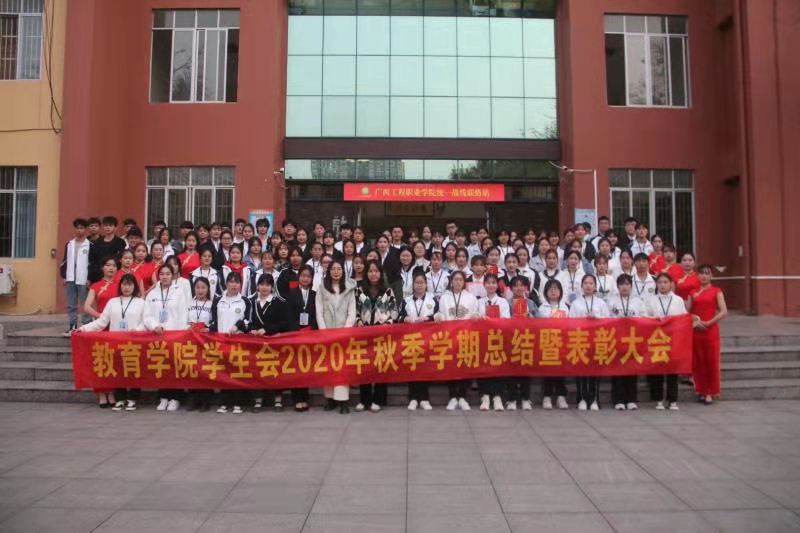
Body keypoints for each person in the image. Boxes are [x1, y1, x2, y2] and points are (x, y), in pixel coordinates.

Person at [80, 274, 145, 411]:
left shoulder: (141, 302)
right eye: (124, 284)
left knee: (133, 371)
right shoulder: (113, 302)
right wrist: (83, 329)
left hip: (134, 342)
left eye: (130, 284)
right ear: (120, 286)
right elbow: (102, 322)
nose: (126, 288)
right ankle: (120, 398)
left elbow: (145, 322)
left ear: (134, 287)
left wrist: (137, 330)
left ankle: (133, 399)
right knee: (118, 371)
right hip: (116, 342)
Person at [143, 263, 190, 412]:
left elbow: (183, 314)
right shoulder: (152, 294)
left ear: (173, 275)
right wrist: (154, 325)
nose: (164, 277)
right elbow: (147, 315)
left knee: (175, 367)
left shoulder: (179, 292)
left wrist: (179, 334)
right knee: (162, 367)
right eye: (162, 274)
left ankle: (175, 397)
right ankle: (163, 396)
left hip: (174, 336)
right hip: (158, 335)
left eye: (167, 274)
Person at [354, 261, 399, 412]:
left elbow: (394, 311)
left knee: (381, 366)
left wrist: (388, 323)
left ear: (381, 273)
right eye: (370, 271)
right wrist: (358, 321)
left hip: (382, 334)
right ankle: (364, 400)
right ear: (366, 273)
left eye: (376, 271)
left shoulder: (387, 291)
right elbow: (355, 309)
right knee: (364, 366)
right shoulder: (360, 290)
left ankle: (378, 399)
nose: (373, 274)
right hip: (364, 334)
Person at [316, 259, 358, 414]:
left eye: (339, 269)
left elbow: (352, 312)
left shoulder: (349, 288)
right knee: (328, 367)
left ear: (343, 271)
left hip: (343, 334)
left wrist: (345, 331)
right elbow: (319, 311)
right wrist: (324, 332)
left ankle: (343, 401)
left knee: (342, 368)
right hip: (327, 334)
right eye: (333, 269)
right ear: (329, 271)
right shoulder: (322, 288)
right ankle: (330, 399)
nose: (336, 272)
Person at [435, 270, 479, 411]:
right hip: (450, 337)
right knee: (451, 367)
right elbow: (441, 313)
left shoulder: (471, 297)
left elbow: (475, 313)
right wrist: (438, 316)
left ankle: (463, 397)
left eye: (460, 280)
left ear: (464, 282)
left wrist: (476, 316)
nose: (458, 282)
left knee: (465, 366)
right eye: (455, 279)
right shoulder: (444, 297)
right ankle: (453, 396)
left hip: (466, 337)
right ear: (451, 282)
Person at [247, 273, 291, 412]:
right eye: (262, 284)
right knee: (257, 370)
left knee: (275, 370)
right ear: (257, 286)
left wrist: (267, 329)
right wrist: (252, 329)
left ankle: (278, 399)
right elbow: (248, 321)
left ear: (272, 287)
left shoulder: (279, 302)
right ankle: (258, 400)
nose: (264, 287)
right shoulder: (252, 302)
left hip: (274, 343)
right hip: (257, 344)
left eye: (268, 285)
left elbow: (284, 322)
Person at [645, 272, 688, 411]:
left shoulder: (678, 300)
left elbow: (684, 317)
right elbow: (645, 317)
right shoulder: (651, 300)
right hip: (657, 339)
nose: (662, 285)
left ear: (671, 284)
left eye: (665, 282)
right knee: (657, 370)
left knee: (672, 370)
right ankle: (658, 400)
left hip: (673, 339)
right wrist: (654, 319)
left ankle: (672, 400)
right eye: (660, 282)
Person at [210, 272, 251, 414]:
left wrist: (238, 326)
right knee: (223, 373)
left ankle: (237, 403)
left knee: (236, 373)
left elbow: (248, 320)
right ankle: (224, 403)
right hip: (221, 342)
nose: (234, 285)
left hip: (238, 343)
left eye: (237, 282)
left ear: (240, 285)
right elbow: (214, 321)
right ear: (226, 284)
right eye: (231, 282)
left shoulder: (245, 301)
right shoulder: (218, 300)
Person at [568, 274, 610, 411]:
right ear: (581, 286)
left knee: (595, 371)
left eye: (591, 283)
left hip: (597, 340)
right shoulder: (576, 303)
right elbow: (571, 322)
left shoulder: (601, 303)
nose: (588, 286)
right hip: (580, 340)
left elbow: (607, 320)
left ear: (595, 286)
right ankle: (581, 398)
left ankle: (594, 399)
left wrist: (596, 317)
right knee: (581, 371)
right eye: (585, 283)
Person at [687, 264, 728, 405]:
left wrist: (709, 322)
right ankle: (701, 390)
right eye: (701, 273)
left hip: (711, 331)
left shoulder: (717, 291)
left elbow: (724, 311)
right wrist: (694, 321)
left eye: (707, 273)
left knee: (711, 361)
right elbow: (686, 311)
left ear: (711, 276)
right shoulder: (693, 292)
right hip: (696, 331)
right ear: (697, 275)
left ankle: (710, 392)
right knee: (698, 362)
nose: (704, 276)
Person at [607, 274, 645, 411]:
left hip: (632, 340)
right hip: (616, 339)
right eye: (622, 284)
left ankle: (631, 399)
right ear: (617, 287)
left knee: (631, 370)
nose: (624, 287)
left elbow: (644, 317)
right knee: (617, 370)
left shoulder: (638, 301)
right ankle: (618, 400)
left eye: (627, 284)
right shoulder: (611, 301)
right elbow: (606, 318)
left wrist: (633, 319)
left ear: (631, 286)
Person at [401, 272, 437, 411]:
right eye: (417, 283)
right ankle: (413, 398)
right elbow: (399, 317)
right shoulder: (406, 300)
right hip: (411, 340)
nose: (419, 285)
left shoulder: (433, 300)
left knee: (425, 369)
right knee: (412, 368)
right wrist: (405, 319)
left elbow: (438, 315)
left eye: (422, 283)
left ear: (426, 284)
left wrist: (428, 318)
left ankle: (424, 398)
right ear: (413, 284)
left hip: (427, 339)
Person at [476, 274, 510, 412]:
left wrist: (492, 321)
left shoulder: (502, 302)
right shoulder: (479, 302)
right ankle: (484, 396)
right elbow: (475, 318)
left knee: (498, 367)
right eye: (488, 283)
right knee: (483, 366)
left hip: (498, 339)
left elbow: (506, 320)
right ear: (484, 285)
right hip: (483, 339)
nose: (491, 285)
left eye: (493, 283)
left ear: (497, 285)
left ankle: (497, 396)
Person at [286, 265, 317, 411]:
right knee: (295, 368)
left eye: (308, 276)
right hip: (295, 335)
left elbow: (316, 315)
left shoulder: (315, 295)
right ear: (299, 277)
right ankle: (297, 399)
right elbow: (289, 315)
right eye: (303, 275)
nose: (305, 278)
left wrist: (312, 330)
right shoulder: (291, 293)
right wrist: (296, 331)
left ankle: (304, 398)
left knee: (306, 368)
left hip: (309, 335)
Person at [537, 279, 570, 409]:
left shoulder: (565, 307)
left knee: (561, 371)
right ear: (545, 292)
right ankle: (547, 396)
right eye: (550, 288)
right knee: (548, 371)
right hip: (547, 344)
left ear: (561, 291)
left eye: (556, 288)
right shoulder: (542, 308)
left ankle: (561, 396)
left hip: (562, 343)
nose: (553, 291)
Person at [506, 275, 537, 411]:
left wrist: (530, 317)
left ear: (525, 288)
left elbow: (540, 320)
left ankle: (526, 398)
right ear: (511, 288)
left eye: (521, 285)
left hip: (527, 339)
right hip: (511, 340)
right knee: (511, 370)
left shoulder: (530, 303)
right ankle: (511, 398)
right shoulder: (506, 303)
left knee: (526, 370)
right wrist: (512, 318)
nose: (519, 288)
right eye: (515, 285)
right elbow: (502, 319)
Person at [185, 277, 214, 412]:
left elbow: (214, 322)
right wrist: (188, 326)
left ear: (208, 289)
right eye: (197, 287)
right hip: (190, 341)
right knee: (192, 370)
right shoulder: (188, 303)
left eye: (203, 287)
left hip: (205, 342)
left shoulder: (212, 304)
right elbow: (183, 319)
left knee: (205, 370)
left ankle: (205, 400)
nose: (200, 290)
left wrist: (207, 328)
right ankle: (193, 399)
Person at [61, 218, 91, 335]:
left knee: (85, 303)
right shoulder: (69, 244)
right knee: (71, 304)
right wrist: (64, 276)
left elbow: (91, 263)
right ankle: (72, 325)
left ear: (86, 229)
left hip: (83, 279)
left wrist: (89, 278)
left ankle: (87, 324)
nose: (79, 230)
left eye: (81, 228)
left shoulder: (90, 245)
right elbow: (65, 261)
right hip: (70, 278)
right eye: (77, 228)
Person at [88, 216, 126, 282]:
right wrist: (89, 278)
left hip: (115, 275)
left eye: (110, 225)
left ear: (115, 227)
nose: (108, 227)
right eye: (106, 225)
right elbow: (92, 261)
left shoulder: (120, 242)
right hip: (98, 275)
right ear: (103, 227)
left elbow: (120, 259)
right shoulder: (97, 242)